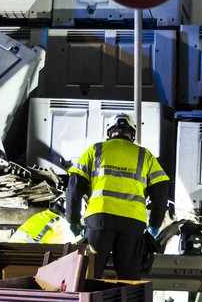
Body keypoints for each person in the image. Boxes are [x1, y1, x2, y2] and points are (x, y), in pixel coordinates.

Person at [65, 114, 170, 279]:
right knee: (129, 279)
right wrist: (154, 226)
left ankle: (89, 295)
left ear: (109, 132)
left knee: (89, 274)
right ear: (132, 133)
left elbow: (74, 188)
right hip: (133, 223)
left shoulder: (95, 150)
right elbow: (161, 191)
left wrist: (73, 220)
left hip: (99, 219)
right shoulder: (145, 156)